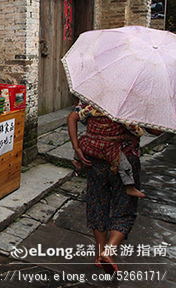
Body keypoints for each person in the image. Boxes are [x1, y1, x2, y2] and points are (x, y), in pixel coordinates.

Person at [67, 101, 160, 274]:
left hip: (95, 159)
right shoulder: (136, 101)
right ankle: (108, 252)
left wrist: (77, 148)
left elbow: (72, 117)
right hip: (125, 159)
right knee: (125, 206)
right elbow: (155, 130)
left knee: (97, 203)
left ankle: (100, 254)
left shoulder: (93, 97)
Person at [70, 103, 145, 198]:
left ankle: (77, 160)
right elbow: (134, 128)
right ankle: (129, 186)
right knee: (124, 165)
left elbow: (77, 116)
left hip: (92, 145)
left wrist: (77, 148)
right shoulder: (122, 111)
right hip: (112, 149)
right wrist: (139, 132)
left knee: (82, 143)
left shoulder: (90, 107)